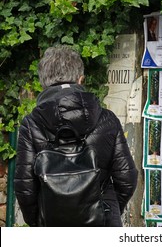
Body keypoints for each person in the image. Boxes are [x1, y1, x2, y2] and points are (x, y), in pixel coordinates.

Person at [14, 46, 138, 227]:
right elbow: (127, 178)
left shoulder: (31, 124)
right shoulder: (107, 119)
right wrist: (106, 210)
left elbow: (25, 188)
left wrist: (41, 221)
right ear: (80, 79)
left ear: (43, 84)